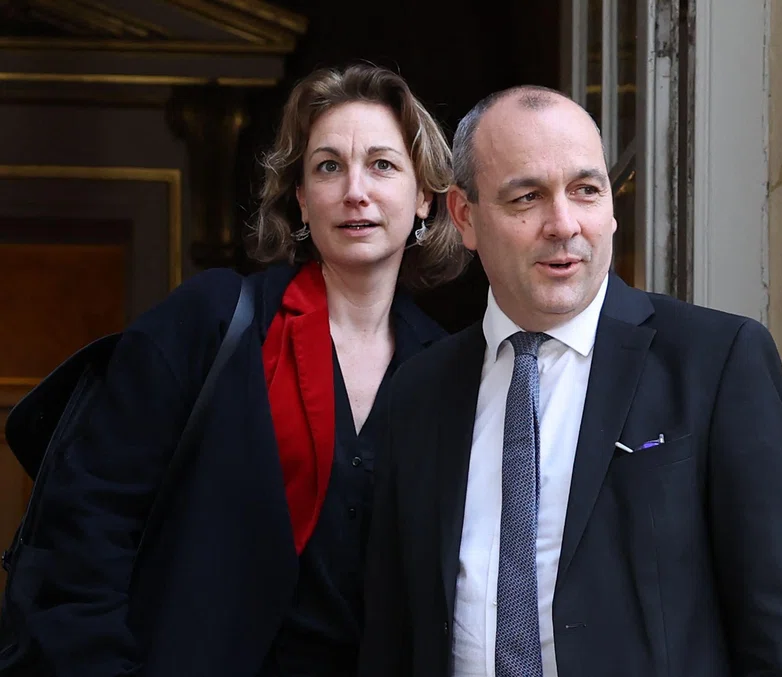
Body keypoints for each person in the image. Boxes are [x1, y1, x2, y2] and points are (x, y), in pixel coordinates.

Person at [7, 64, 467, 677]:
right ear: (301, 199)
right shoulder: (214, 319)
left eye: (382, 165)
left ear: (425, 198)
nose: (355, 190)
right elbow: (85, 527)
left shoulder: (445, 370)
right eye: (328, 167)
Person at [360, 85, 782, 677]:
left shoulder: (717, 362)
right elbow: (391, 631)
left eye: (586, 190)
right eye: (527, 197)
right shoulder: (419, 392)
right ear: (464, 217)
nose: (564, 224)